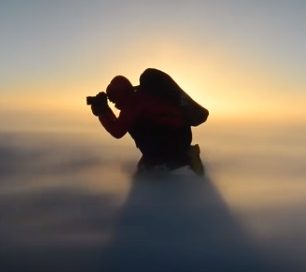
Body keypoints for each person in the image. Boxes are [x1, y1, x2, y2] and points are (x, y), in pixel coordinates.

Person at [89, 70, 208, 175]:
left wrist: (102, 112)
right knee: (138, 128)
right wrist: (105, 110)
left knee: (137, 129)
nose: (112, 101)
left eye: (112, 97)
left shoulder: (132, 103)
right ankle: (167, 157)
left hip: (172, 141)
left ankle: (185, 157)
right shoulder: (140, 96)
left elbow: (118, 131)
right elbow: (123, 122)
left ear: (120, 94)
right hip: (179, 135)